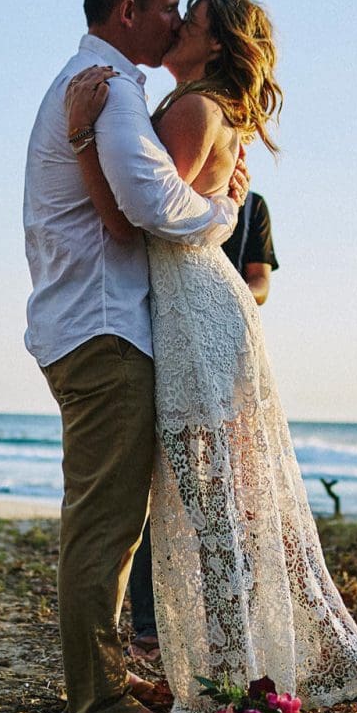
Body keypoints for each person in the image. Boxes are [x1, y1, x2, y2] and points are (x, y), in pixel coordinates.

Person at [66, 0, 357, 713]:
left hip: (195, 310)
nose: (178, 25)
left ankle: (238, 678)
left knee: (210, 504)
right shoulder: (206, 109)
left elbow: (142, 221)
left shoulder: (193, 109)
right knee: (221, 501)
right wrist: (224, 206)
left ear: (214, 45)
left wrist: (83, 139)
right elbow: (181, 208)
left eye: (193, 20)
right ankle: (244, 670)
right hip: (198, 305)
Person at [23, 0, 246, 713]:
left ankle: (107, 682)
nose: (177, 20)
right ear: (128, 11)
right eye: (168, 5)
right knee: (105, 525)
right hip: (103, 327)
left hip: (94, 323)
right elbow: (148, 208)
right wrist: (223, 212)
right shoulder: (108, 91)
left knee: (114, 521)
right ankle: (97, 705)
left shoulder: (109, 89)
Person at [125, 189, 280, 660]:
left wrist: (219, 293)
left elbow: (260, 281)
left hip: (223, 345)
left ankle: (228, 625)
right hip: (163, 339)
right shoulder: (159, 193)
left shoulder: (251, 206)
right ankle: (150, 624)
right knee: (155, 487)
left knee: (226, 491)